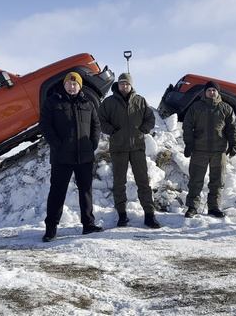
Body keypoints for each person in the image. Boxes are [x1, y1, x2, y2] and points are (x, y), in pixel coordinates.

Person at [39, 71, 103, 242]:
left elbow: (96, 125)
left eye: (75, 84)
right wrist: (57, 145)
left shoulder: (87, 103)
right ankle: (51, 228)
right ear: (65, 85)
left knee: (86, 191)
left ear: (80, 86)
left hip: (84, 156)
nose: (72, 87)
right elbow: (45, 126)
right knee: (57, 192)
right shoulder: (53, 102)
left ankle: (88, 224)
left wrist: (92, 144)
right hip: (61, 157)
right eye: (69, 84)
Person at [99, 73, 161, 228]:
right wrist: (113, 131)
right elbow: (101, 120)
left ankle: (149, 215)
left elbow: (150, 119)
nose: (124, 86)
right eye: (121, 84)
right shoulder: (109, 102)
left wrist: (142, 130)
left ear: (131, 85)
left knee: (143, 182)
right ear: (118, 85)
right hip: (118, 148)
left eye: (127, 84)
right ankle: (122, 215)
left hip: (137, 148)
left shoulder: (140, 101)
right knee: (119, 183)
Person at [182, 81, 236, 218]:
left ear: (218, 92)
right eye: (209, 90)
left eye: (214, 90)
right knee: (195, 180)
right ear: (205, 92)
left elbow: (232, 128)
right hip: (199, 150)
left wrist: (234, 144)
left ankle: (214, 207)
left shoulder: (226, 108)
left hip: (219, 151)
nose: (211, 93)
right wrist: (189, 144)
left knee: (217, 181)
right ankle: (192, 207)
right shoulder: (196, 107)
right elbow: (187, 126)